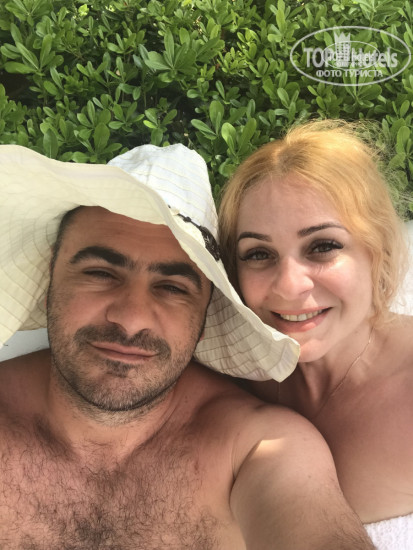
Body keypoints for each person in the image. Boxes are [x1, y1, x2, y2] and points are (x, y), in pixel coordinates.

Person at [0, 143, 374, 549]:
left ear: (205, 314)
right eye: (102, 273)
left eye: (172, 288)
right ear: (51, 275)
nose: (131, 319)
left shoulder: (256, 449)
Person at [218, 119, 413, 550]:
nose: (289, 286)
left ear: (377, 250)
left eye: (323, 246)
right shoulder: (225, 373)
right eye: (259, 253)